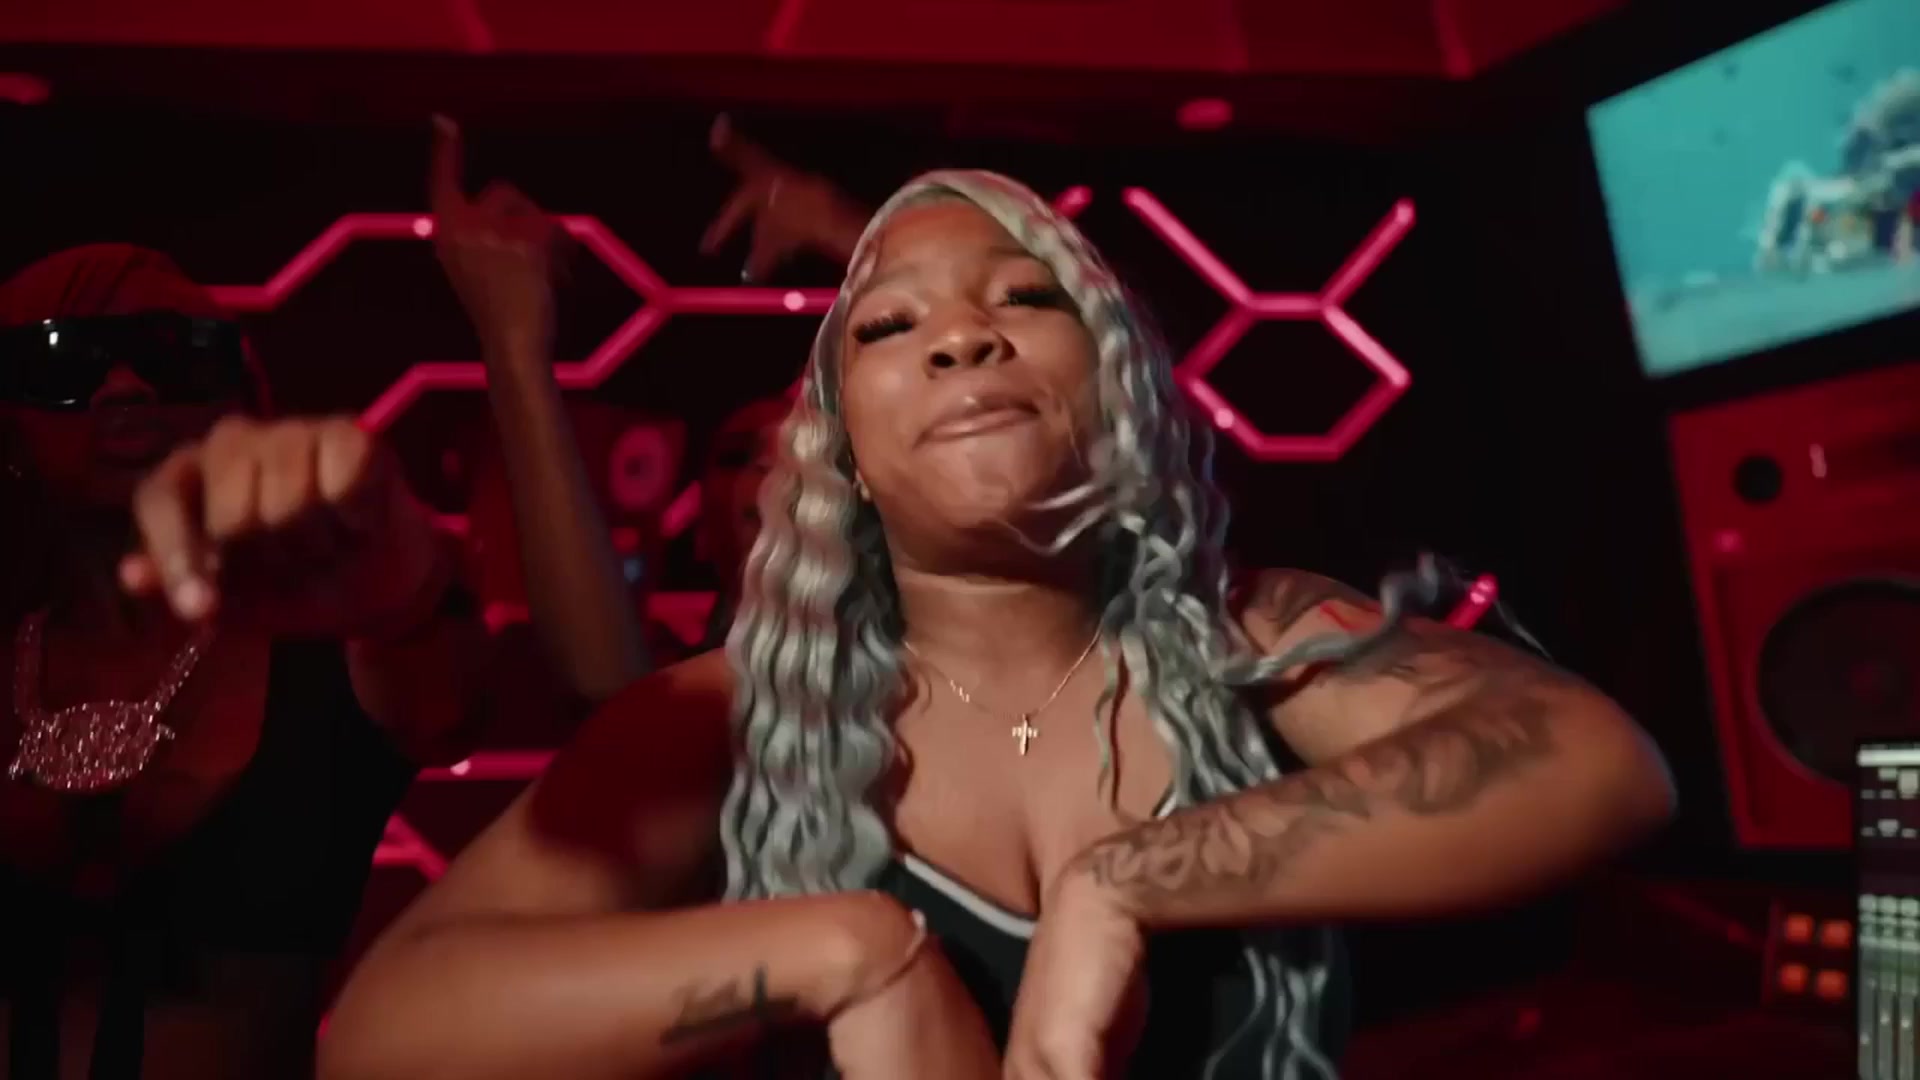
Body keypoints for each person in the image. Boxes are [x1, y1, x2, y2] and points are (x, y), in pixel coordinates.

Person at [321, 170, 1675, 1080]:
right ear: (841, 452)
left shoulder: (1253, 629)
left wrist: (1128, 881)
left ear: (1120, 385)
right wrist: (850, 958)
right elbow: (381, 1032)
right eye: (889, 326)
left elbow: (1600, 763)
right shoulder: (728, 714)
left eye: (1027, 299)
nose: (965, 338)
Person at [0, 128, 642, 1078]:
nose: (126, 386)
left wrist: (512, 346)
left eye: (173, 353)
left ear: (237, 395)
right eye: (65, 359)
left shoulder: (328, 639)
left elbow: (610, 712)